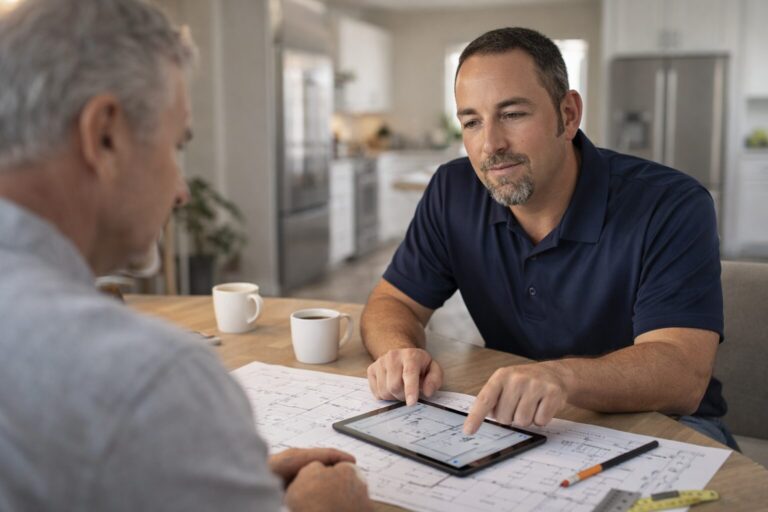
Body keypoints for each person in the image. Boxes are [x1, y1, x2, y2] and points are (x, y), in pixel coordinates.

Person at [0, 0, 373, 510]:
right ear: (105, 136)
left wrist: (196, 471)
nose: (182, 192)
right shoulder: (153, 379)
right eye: (177, 145)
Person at [362, 27, 737, 449]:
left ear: (569, 115)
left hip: (666, 427)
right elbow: (393, 303)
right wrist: (398, 351)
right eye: (471, 121)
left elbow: (681, 373)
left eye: (513, 114)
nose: (491, 145)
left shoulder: (670, 205)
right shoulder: (454, 190)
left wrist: (560, 376)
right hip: (521, 423)